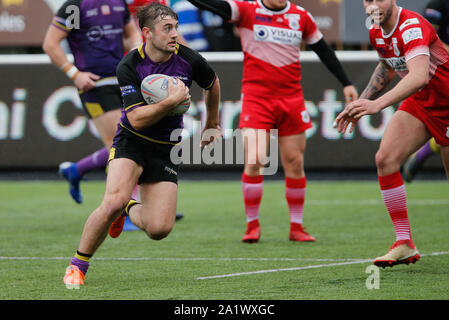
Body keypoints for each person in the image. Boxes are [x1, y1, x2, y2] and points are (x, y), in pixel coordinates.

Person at [63, 2, 222, 287]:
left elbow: (212, 83)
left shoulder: (189, 59)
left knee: (159, 229)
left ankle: (127, 208)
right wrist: (172, 101)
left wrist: (212, 123)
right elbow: (136, 119)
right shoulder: (129, 66)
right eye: (168, 28)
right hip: (131, 141)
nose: (175, 34)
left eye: (176, 27)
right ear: (147, 33)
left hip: (165, 148)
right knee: (112, 200)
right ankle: (78, 265)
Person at [187, 0, 358, 243]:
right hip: (257, 99)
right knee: (255, 158)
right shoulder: (246, 10)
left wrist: (347, 83)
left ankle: (296, 227)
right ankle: (252, 225)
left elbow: (323, 50)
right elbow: (213, 5)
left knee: (295, 162)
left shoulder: (301, 16)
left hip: (291, 100)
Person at [334, 0, 449, 268]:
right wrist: (360, 103)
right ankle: (404, 242)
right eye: (368, 0)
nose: (373, 5)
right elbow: (387, 68)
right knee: (385, 159)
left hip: (446, 102)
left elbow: (419, 76)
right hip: (422, 103)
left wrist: (376, 104)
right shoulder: (376, 29)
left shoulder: (411, 26)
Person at [43, 0, 143, 204]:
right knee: (122, 147)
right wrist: (74, 74)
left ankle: (76, 170)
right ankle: (123, 210)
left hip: (122, 81)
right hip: (95, 86)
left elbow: (131, 33)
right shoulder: (75, 6)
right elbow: (50, 43)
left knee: (133, 142)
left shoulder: (119, 3)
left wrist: (135, 50)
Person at [402, 0, 449, 182]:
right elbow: (427, 40)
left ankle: (423, 154)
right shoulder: (438, 4)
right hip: (440, 77)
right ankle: (422, 153)